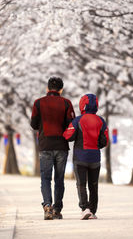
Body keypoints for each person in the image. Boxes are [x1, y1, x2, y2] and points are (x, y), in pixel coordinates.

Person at [30, 77, 75, 220]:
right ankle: (57, 209)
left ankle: (47, 206)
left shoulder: (38, 103)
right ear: (61, 90)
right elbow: (71, 124)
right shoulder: (67, 103)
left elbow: (34, 124)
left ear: (47, 89)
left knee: (45, 178)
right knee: (59, 179)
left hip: (45, 145)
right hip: (61, 145)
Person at [63, 94, 109, 220]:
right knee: (93, 185)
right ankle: (93, 211)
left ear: (82, 105)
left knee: (81, 184)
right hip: (95, 158)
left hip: (80, 157)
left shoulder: (78, 120)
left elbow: (68, 136)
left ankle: (85, 208)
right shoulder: (101, 121)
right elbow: (105, 141)